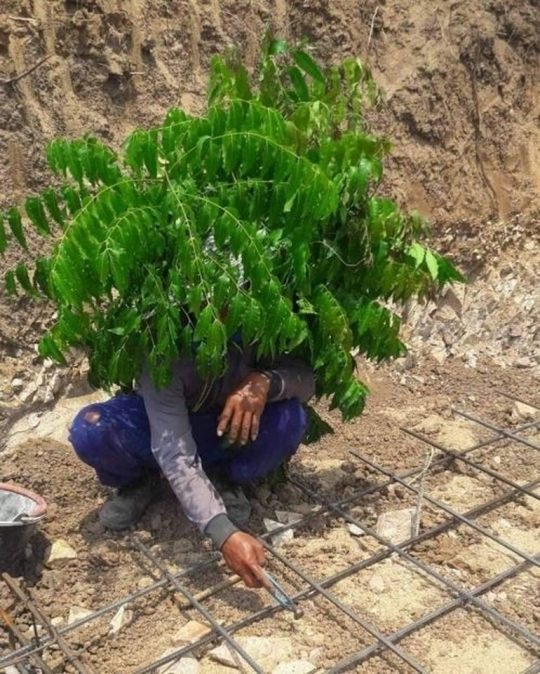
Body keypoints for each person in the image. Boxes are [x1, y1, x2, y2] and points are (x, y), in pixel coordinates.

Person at [68, 343, 314, 588]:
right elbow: (174, 450)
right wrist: (223, 533)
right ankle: (139, 480)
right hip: (160, 426)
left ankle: (223, 476)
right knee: (92, 429)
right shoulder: (165, 341)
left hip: (222, 427)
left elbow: (306, 382)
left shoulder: (259, 326)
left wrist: (265, 382)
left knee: (290, 418)